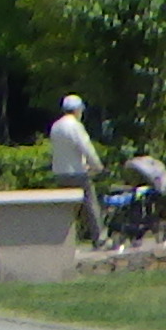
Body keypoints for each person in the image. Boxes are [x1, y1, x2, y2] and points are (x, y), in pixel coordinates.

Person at [45, 92, 103, 238]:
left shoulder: (56, 126)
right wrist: (97, 166)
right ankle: (100, 238)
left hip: (60, 173)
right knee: (91, 206)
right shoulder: (75, 126)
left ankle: (65, 241)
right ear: (77, 110)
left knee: (66, 210)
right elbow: (86, 148)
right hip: (77, 173)